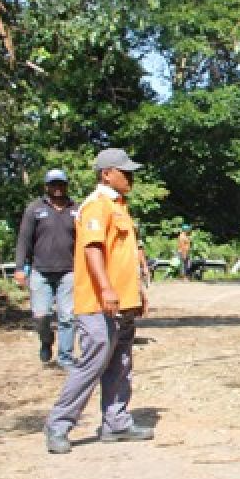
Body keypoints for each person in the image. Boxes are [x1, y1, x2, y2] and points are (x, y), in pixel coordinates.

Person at [44, 148, 153, 454]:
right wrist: (105, 289)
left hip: (123, 302)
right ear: (107, 174)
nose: (130, 176)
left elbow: (125, 256)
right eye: (124, 171)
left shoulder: (119, 206)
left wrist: (137, 293)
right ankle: (59, 424)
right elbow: (92, 250)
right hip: (98, 302)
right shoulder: (96, 206)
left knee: (120, 363)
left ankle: (115, 423)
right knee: (92, 363)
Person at [13, 168, 77, 369]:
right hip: (40, 270)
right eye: (53, 184)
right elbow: (24, 240)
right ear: (46, 186)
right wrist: (19, 268)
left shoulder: (76, 209)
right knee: (41, 316)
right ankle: (46, 340)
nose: (57, 188)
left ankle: (65, 357)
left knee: (68, 316)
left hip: (69, 271)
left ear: (66, 185)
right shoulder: (35, 209)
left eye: (61, 184)